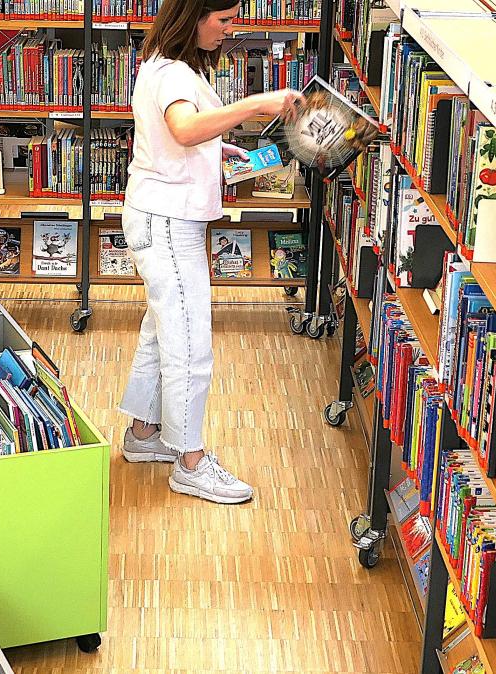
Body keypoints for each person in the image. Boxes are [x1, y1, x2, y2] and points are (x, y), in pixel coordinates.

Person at [116, 0, 303, 504]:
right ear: (193, 17)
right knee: (189, 341)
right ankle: (191, 462)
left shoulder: (160, 61)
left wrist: (214, 148)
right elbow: (181, 128)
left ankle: (143, 434)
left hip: (158, 213)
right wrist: (257, 103)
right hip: (168, 221)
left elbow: (170, 135)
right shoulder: (175, 73)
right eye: (223, 20)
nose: (229, 30)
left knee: (161, 329)